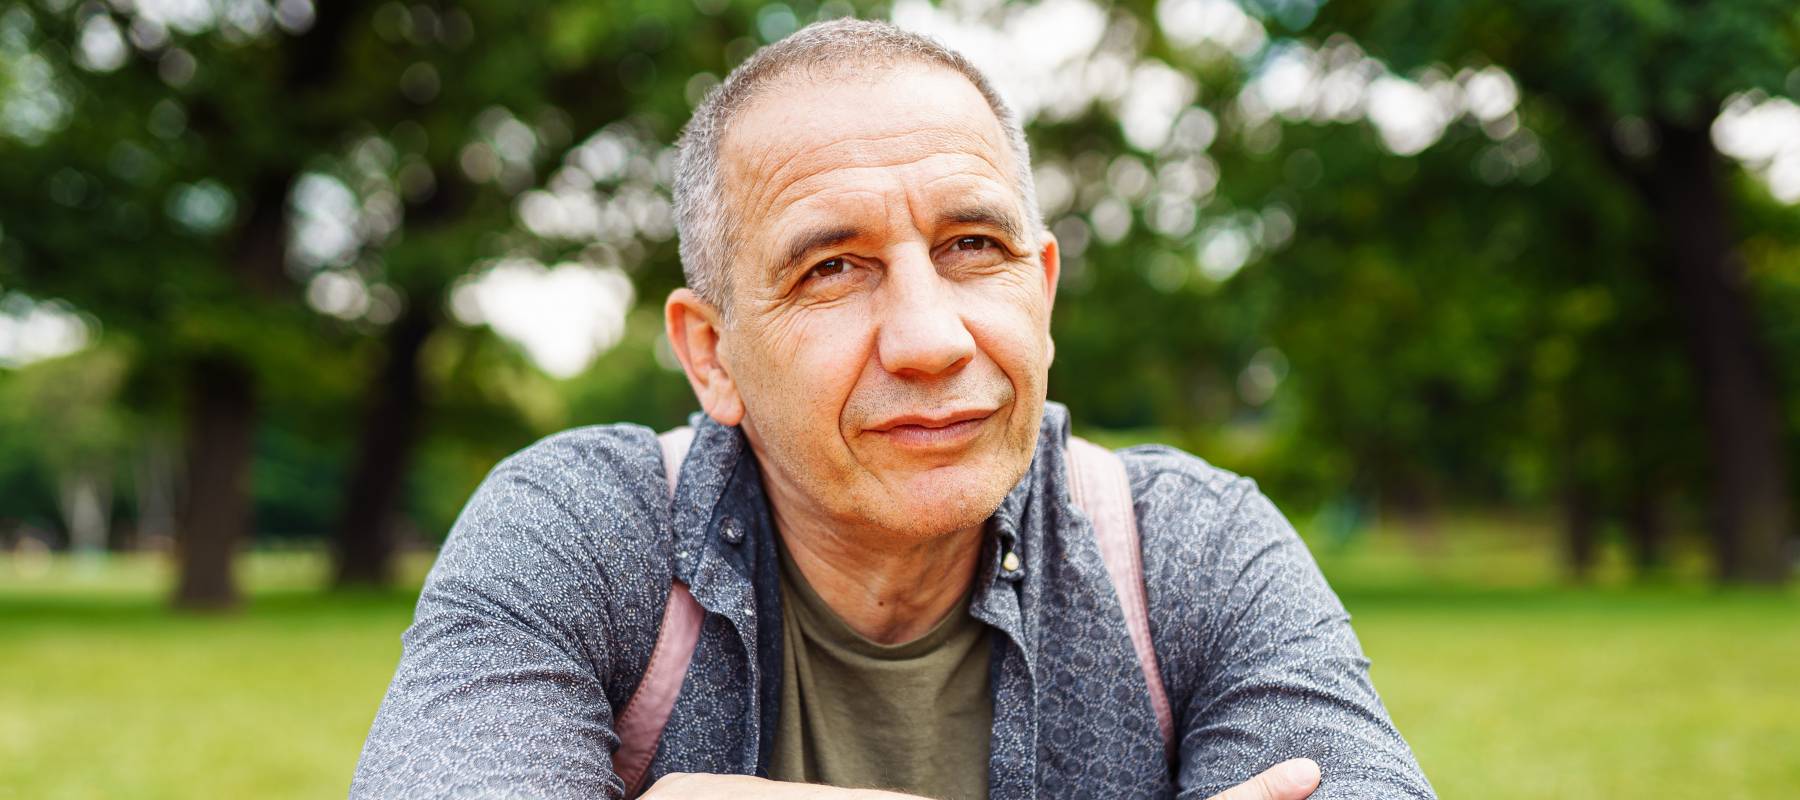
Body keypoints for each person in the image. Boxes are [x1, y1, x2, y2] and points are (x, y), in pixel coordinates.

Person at [350, 19, 1433, 800]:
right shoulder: (581, 532)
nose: (930, 338)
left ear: (1042, 291)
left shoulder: (1192, 546)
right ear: (712, 353)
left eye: (974, 247)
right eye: (830, 268)